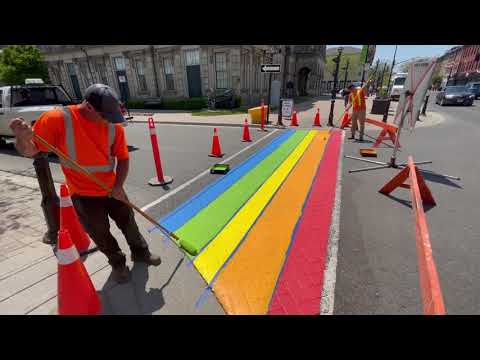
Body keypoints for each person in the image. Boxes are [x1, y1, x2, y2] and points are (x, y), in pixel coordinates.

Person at [9, 84, 161, 284]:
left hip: (112, 189)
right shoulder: (57, 120)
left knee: (129, 223)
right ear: (89, 107)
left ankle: (140, 252)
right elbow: (31, 150)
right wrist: (23, 138)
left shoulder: (113, 126)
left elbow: (123, 159)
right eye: (105, 115)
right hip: (83, 194)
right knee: (100, 233)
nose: (109, 120)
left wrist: (118, 187)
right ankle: (118, 264)